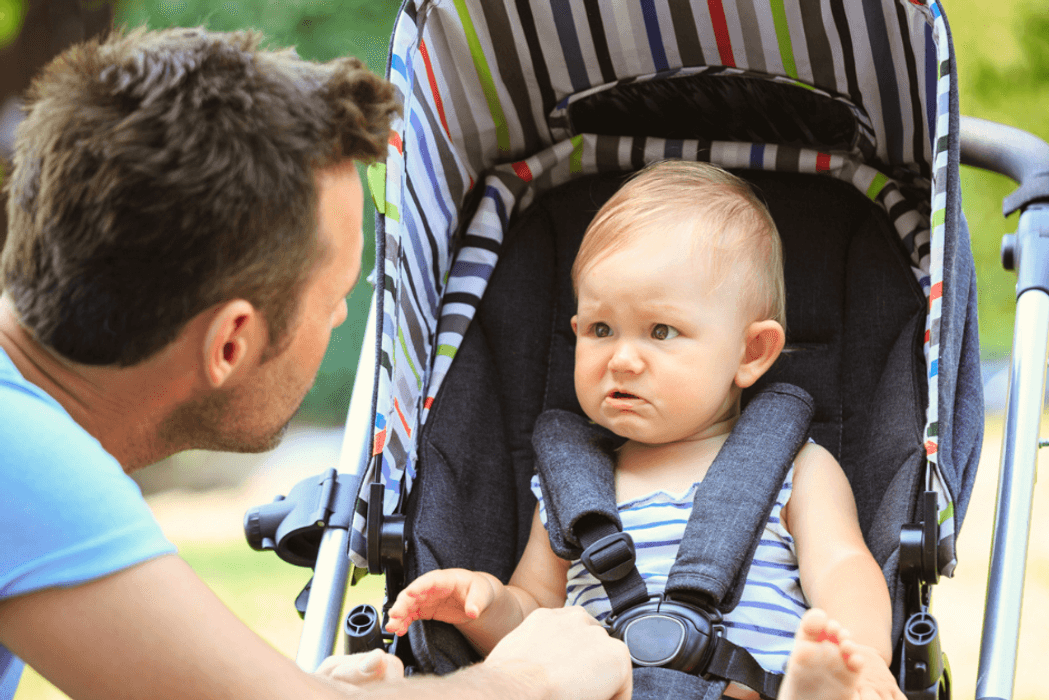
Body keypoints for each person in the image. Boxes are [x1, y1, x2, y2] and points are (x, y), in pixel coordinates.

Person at [0, 26, 631, 700]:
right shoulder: (23, 458)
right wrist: (533, 679)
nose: (340, 318)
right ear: (230, 344)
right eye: (333, 300)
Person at [383, 161, 905, 700]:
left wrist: (863, 653)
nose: (623, 359)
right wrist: (484, 605)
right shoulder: (568, 488)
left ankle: (817, 689)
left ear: (752, 352)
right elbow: (535, 616)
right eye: (601, 329)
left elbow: (842, 566)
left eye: (662, 330)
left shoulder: (799, 468)